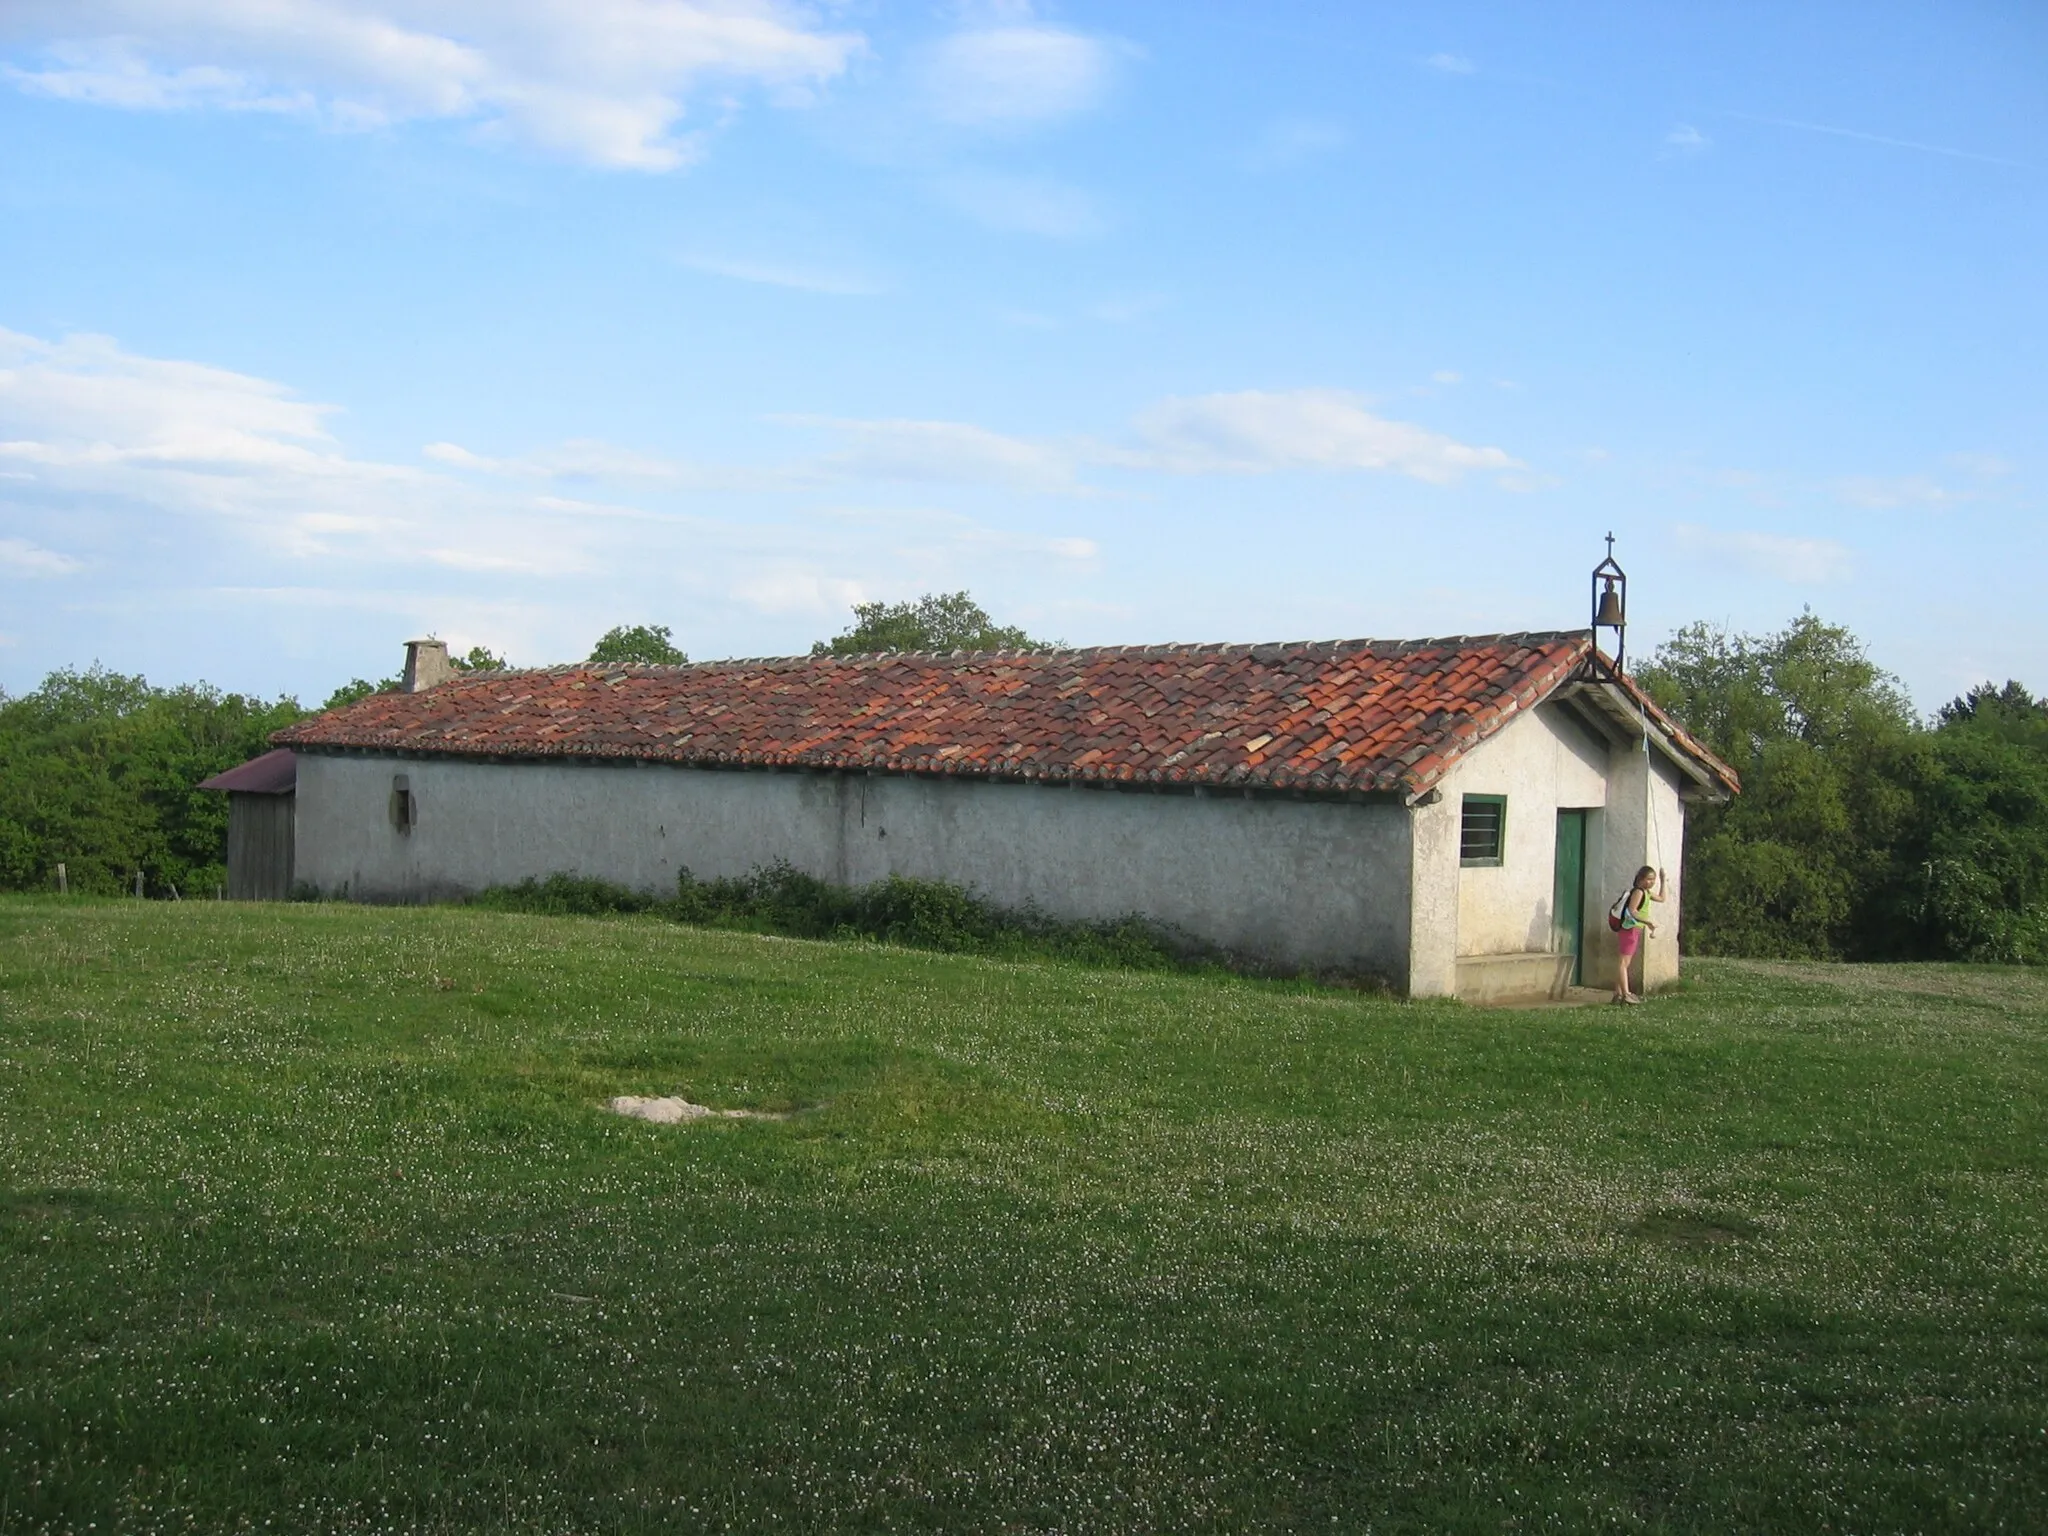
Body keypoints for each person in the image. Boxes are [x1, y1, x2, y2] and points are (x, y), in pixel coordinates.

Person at [1612, 865, 1667, 1005]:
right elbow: (1632, 911)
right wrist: (1648, 921)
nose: (1651, 882)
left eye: (1653, 879)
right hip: (1629, 928)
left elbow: (1662, 898)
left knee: (1625, 962)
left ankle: (1618, 994)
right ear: (1641, 879)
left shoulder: (1647, 893)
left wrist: (1663, 880)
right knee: (1623, 963)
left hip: (1635, 929)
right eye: (1649, 879)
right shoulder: (1639, 892)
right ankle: (1626, 994)